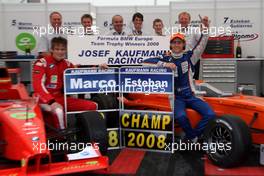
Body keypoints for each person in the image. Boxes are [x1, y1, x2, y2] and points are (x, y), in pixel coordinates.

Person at [144, 32, 215, 142]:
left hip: (191, 95)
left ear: (183, 45)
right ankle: (193, 137)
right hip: (177, 97)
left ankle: (191, 136)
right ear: (171, 45)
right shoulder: (166, 58)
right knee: (181, 117)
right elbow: (145, 62)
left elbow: (201, 45)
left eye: (179, 42)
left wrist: (205, 30)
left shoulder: (189, 56)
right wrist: (164, 65)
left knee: (210, 114)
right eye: (174, 42)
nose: (176, 44)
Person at [33, 37, 107, 130]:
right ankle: (63, 139)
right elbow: (37, 86)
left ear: (66, 50)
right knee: (58, 111)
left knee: (92, 106)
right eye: (57, 49)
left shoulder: (67, 64)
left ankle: (84, 134)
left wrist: (98, 67)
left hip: (60, 98)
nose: (60, 52)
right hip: (43, 100)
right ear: (51, 50)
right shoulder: (41, 63)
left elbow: (81, 74)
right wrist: (51, 101)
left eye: (62, 49)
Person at [178, 12, 209, 80]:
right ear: (179, 20)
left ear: (189, 20)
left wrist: (206, 27)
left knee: (193, 82)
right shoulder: (175, 31)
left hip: (193, 60)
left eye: (186, 19)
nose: (183, 20)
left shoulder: (195, 30)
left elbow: (203, 39)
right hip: (179, 60)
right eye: (182, 18)